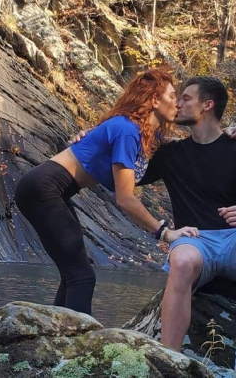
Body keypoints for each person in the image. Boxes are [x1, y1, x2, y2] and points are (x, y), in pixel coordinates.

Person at [72, 76, 236, 375]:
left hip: (235, 243)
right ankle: (172, 360)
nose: (178, 103)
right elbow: (124, 173)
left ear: (207, 106)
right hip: (194, 243)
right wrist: (92, 139)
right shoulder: (170, 155)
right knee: (180, 259)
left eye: (186, 98)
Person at [14, 69, 199, 316]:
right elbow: (124, 198)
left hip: (47, 189)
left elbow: (188, 144)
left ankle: (52, 340)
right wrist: (165, 232)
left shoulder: (143, 133)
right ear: (155, 100)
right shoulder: (128, 131)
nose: (176, 103)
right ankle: (75, 350)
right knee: (81, 277)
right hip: (43, 188)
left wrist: (232, 134)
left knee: (74, 275)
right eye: (172, 95)